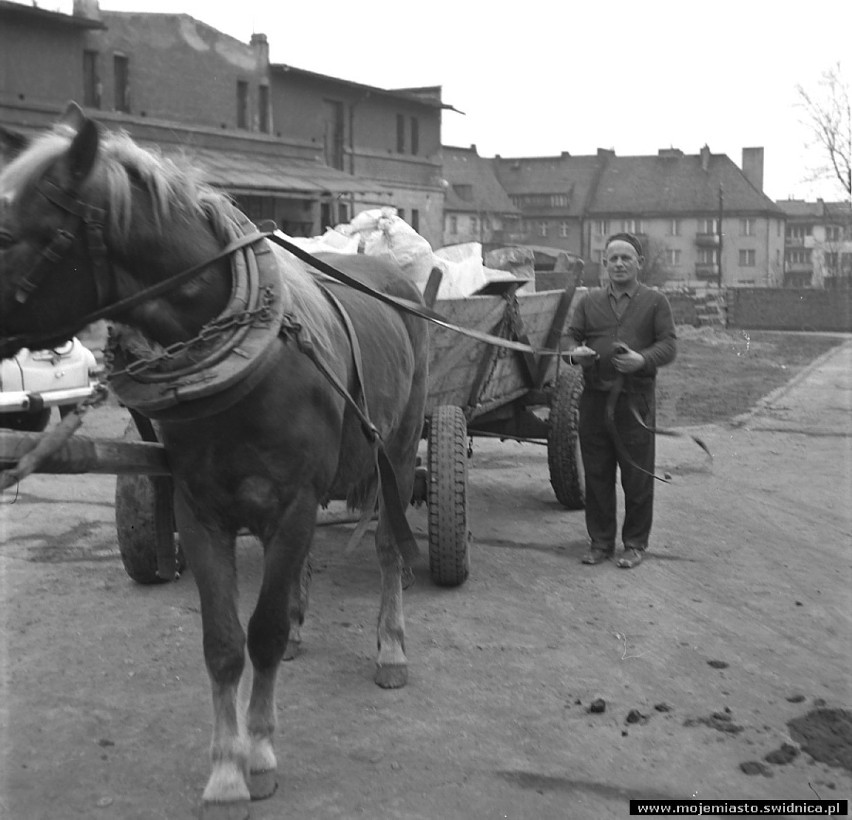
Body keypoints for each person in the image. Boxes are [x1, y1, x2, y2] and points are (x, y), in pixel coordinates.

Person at [566, 232, 676, 569]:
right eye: (612, 258)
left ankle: (634, 544)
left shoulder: (655, 301)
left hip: (635, 403)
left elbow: (669, 345)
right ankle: (600, 543)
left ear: (639, 263)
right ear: (604, 263)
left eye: (625, 258)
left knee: (636, 475)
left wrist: (642, 360)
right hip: (594, 399)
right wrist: (575, 353)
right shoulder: (589, 302)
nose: (618, 264)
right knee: (597, 474)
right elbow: (570, 336)